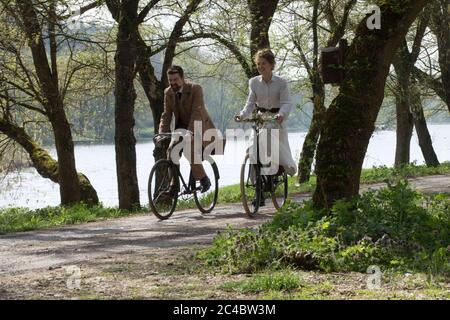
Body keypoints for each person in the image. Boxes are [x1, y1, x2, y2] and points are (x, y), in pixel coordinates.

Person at [235, 48, 297, 204]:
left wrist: (281, 115)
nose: (260, 66)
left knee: (268, 140)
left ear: (271, 65)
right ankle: (258, 190)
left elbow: (287, 103)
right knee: (252, 148)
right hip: (261, 119)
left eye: (263, 63)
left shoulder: (281, 83)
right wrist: (242, 115)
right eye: (258, 64)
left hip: (276, 120)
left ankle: (274, 172)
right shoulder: (254, 82)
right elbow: (250, 104)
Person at [156, 65, 222, 193]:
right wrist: (161, 134)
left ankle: (204, 179)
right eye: (170, 80)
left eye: (175, 79)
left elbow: (197, 113)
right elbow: (166, 115)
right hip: (181, 128)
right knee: (171, 150)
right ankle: (174, 186)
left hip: (198, 127)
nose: (173, 83)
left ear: (183, 78)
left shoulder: (195, 89)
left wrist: (190, 132)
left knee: (188, 149)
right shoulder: (168, 92)